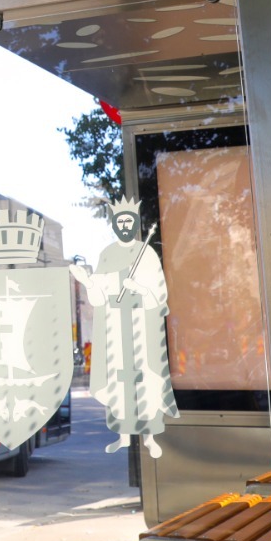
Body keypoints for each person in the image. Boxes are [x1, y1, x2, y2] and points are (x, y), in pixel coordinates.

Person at [68, 196, 178, 458]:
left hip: (141, 325)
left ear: (135, 223)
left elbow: (159, 293)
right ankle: (124, 436)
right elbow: (99, 296)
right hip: (116, 327)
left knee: (146, 380)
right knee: (119, 382)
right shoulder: (107, 254)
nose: (125, 226)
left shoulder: (146, 253)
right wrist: (88, 281)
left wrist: (139, 287)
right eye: (121, 222)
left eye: (129, 221)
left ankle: (150, 437)